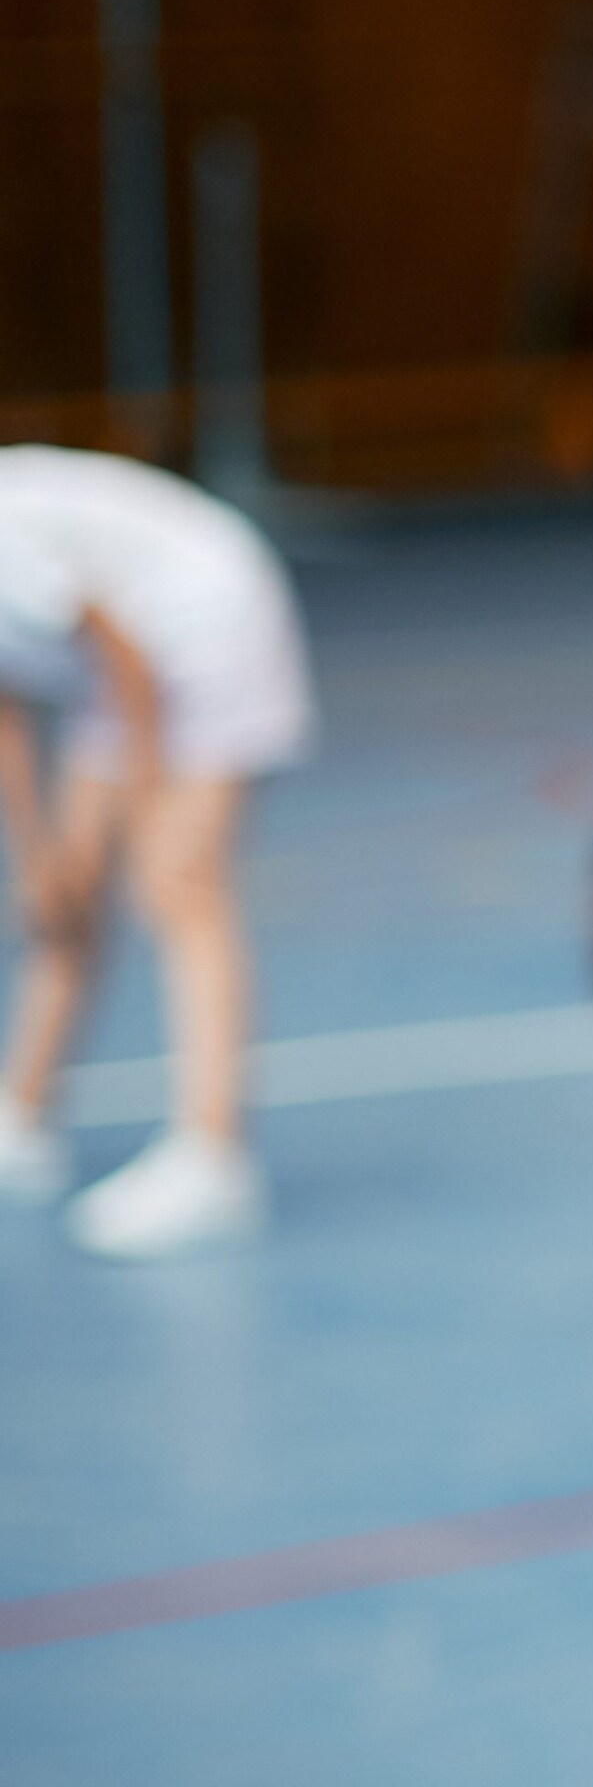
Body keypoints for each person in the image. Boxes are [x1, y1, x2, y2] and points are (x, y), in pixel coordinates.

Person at [0, 447, 313, 1257]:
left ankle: (214, 1156)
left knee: (179, 883)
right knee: (71, 889)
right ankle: (21, 1116)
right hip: (120, 669)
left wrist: (145, 808)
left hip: (210, 625)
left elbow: (128, 657)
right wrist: (37, 850)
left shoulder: (7, 539)